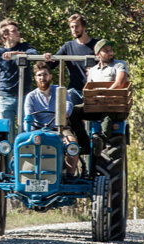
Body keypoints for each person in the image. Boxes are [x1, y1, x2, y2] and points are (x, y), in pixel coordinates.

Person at [42, 13, 98, 154]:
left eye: (76, 27)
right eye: (72, 27)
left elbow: (107, 62)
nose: (74, 30)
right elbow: (52, 65)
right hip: (75, 90)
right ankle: (76, 146)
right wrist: (48, 57)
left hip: (93, 90)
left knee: (97, 123)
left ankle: (97, 145)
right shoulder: (68, 46)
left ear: (84, 27)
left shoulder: (95, 45)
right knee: (69, 111)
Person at [23, 61, 79, 175]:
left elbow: (68, 104)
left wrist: (63, 114)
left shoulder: (59, 90)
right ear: (35, 78)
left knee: (72, 145)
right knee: (23, 145)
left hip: (60, 128)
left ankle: (69, 176)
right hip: (38, 130)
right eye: (39, 75)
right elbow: (28, 117)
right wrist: (29, 130)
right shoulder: (31, 97)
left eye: (44, 74)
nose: (42, 78)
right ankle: (27, 175)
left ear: (50, 76)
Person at [0, 18, 40, 122]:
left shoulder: (24, 46)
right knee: (7, 132)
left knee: (26, 129)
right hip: (4, 98)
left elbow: (35, 54)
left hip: (24, 97)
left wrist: (16, 54)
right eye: (14, 31)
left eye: (17, 30)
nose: (18, 33)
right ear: (5, 35)